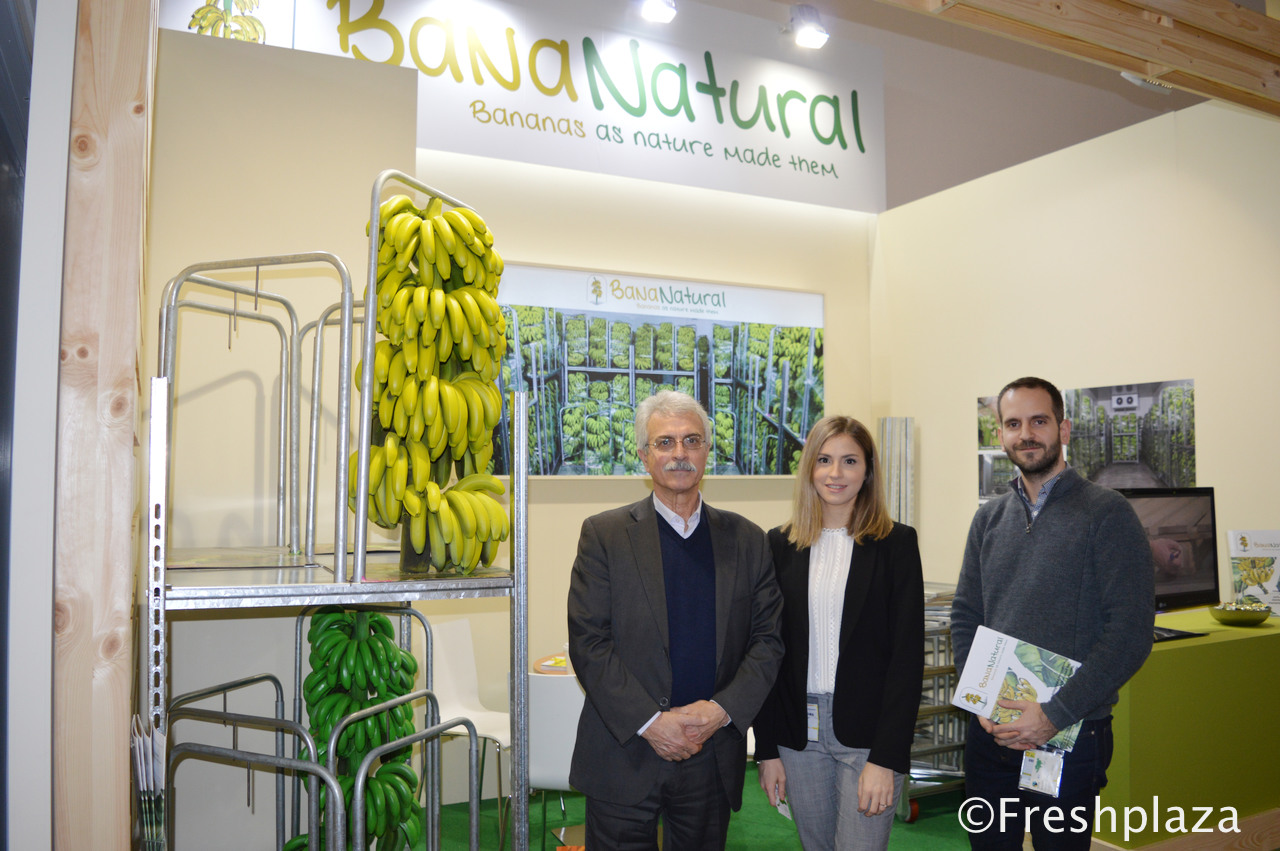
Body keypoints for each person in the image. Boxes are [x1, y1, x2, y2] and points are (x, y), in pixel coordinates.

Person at [567, 389, 784, 849]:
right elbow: (589, 642)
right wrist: (651, 722)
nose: (679, 453)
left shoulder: (748, 540)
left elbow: (768, 641)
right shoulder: (604, 535)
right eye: (665, 442)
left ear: (707, 452)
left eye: (691, 440)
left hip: (711, 753)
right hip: (625, 752)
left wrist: (721, 711)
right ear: (644, 456)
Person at [951, 377, 1154, 850]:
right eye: (1013, 424)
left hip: (1070, 735)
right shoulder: (989, 519)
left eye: (1038, 421)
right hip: (991, 735)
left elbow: (1129, 634)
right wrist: (980, 699)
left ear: (1063, 429)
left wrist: (1053, 715)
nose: (1026, 434)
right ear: (1000, 434)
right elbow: (965, 615)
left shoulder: (1108, 514)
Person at [752, 415, 925, 851]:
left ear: (867, 470)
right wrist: (766, 750)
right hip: (797, 735)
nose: (836, 473)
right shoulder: (778, 545)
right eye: (824, 460)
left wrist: (887, 758)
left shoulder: (897, 544)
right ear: (809, 467)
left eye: (850, 461)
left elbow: (906, 659)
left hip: (868, 738)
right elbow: (765, 652)